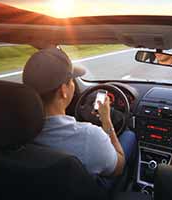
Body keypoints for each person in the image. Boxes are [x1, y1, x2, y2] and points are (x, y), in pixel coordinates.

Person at [22, 47, 137, 186]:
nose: (73, 85)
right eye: (71, 80)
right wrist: (106, 120)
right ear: (63, 91)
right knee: (130, 136)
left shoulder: (12, 131)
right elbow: (119, 167)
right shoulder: (89, 137)